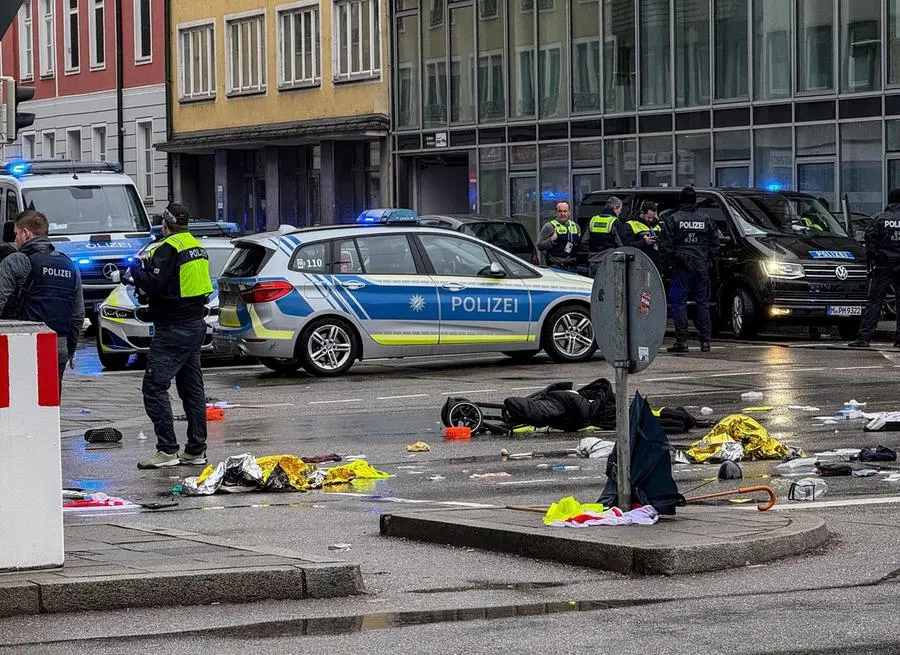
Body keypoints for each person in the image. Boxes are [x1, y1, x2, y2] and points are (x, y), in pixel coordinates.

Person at [132, 202, 214, 469]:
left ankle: (167, 450)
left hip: (173, 327)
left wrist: (135, 271)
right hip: (194, 324)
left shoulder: (168, 247)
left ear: (165, 224)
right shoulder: (195, 246)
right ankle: (195, 450)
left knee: (154, 387)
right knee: (191, 389)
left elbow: (155, 285)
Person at [0, 211, 83, 391]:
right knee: (50, 406)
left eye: (16, 234)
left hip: (23, 346)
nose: (15, 240)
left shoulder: (16, 260)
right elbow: (77, 315)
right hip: (57, 346)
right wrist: (69, 350)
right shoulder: (69, 264)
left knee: (21, 404)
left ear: (26, 233)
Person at [661, 187, 720, 353]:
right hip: (701, 265)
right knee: (703, 303)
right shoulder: (706, 219)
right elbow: (715, 246)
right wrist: (713, 269)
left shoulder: (672, 219)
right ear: (695, 201)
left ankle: (682, 341)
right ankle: (705, 342)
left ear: (681, 200)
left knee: (679, 303)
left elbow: (666, 246)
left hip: (681, 265)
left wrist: (669, 265)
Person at [848, 189, 900, 348]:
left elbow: (870, 240)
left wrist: (872, 258)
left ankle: (864, 338)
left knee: (875, 302)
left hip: (883, 265)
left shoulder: (879, 218)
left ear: (889, 201)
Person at [587, 196, 627, 277]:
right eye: (620, 209)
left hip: (593, 262)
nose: (620, 212)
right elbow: (622, 244)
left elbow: (584, 241)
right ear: (615, 208)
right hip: (608, 262)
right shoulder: (615, 222)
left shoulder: (593, 220)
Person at [536, 201, 580, 272]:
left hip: (572, 267)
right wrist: (552, 240)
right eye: (560, 211)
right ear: (556, 213)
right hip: (555, 267)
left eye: (565, 211)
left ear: (569, 212)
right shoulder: (549, 226)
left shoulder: (576, 226)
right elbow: (539, 245)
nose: (562, 214)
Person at [624, 200, 663, 269]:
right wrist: (644, 242)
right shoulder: (630, 225)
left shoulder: (657, 224)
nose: (651, 220)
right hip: (638, 263)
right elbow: (628, 246)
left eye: (653, 217)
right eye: (649, 217)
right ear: (642, 213)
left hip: (655, 263)